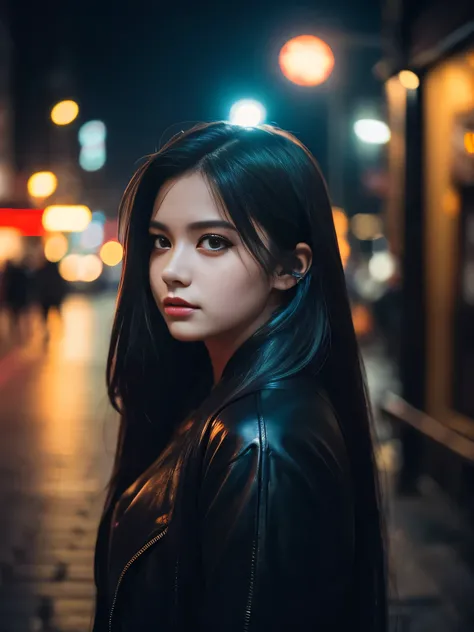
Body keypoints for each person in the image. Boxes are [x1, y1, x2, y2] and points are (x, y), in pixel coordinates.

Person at [92, 122, 388, 632]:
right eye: (160, 241)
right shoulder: (221, 403)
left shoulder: (262, 442)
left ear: (289, 267)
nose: (171, 270)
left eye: (211, 241)